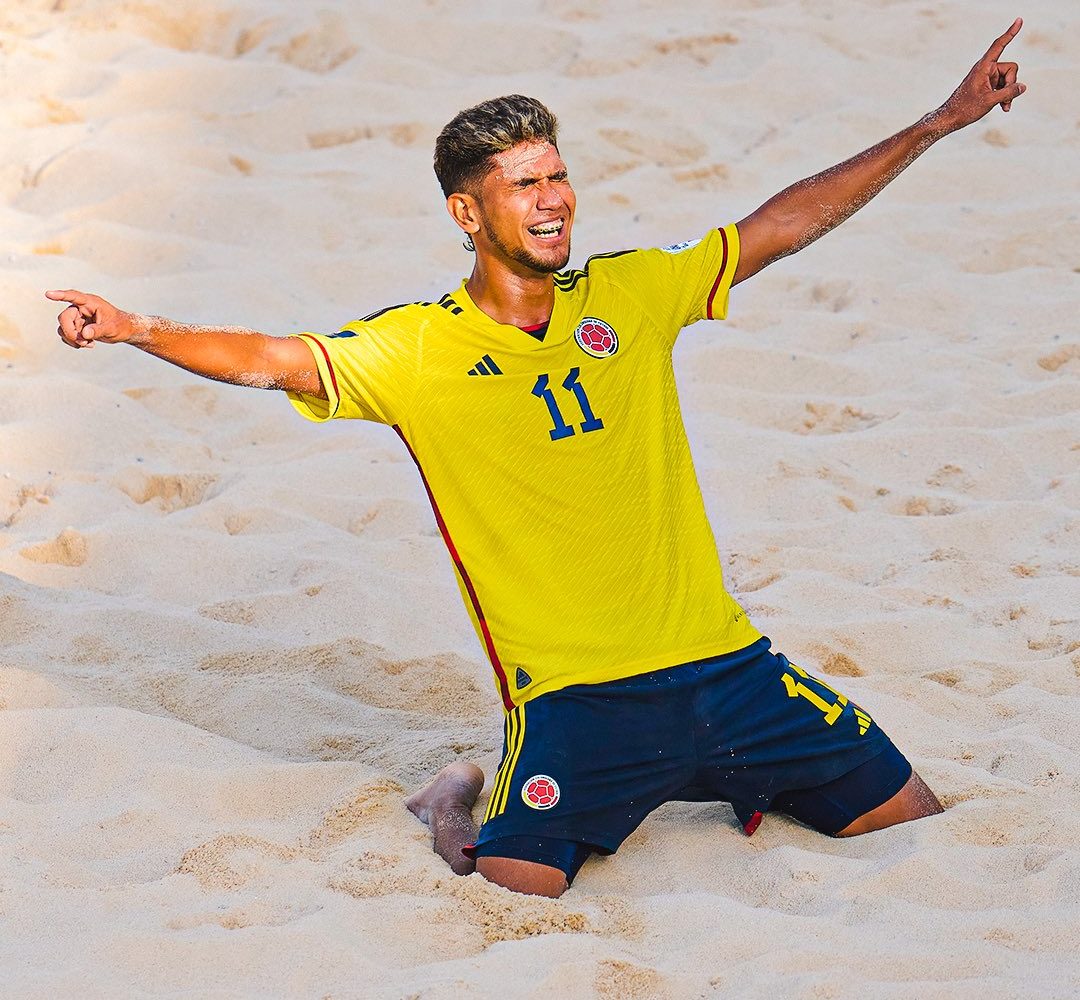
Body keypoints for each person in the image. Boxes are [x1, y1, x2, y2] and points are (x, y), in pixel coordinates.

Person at [48, 20, 1026, 899]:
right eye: (524, 184)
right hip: (575, 701)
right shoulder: (415, 352)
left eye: (557, 175)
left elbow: (774, 226)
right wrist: (137, 326)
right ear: (468, 214)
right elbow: (269, 358)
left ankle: (731, 775)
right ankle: (447, 801)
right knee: (507, 886)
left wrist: (937, 122)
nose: (553, 200)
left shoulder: (632, 293)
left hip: (731, 671)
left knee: (912, 818)